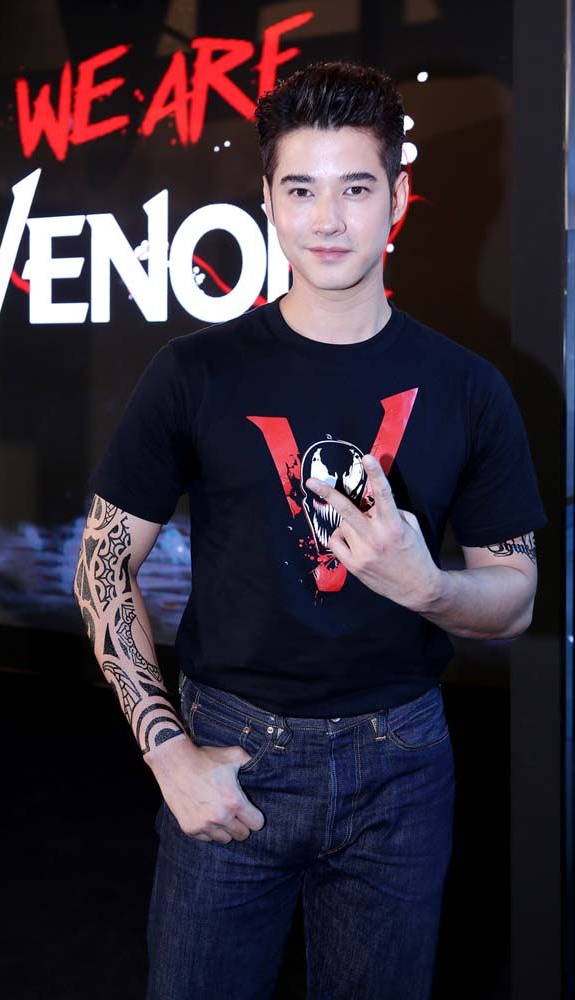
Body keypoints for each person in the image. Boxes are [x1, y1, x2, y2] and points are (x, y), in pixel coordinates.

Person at [73, 60, 547, 1000]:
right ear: (267, 201)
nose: (328, 219)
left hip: (404, 767)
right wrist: (168, 752)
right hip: (231, 754)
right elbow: (101, 565)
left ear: (398, 197)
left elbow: (517, 598)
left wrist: (426, 585)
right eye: (301, 189)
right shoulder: (194, 372)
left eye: (356, 189)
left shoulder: (471, 388)